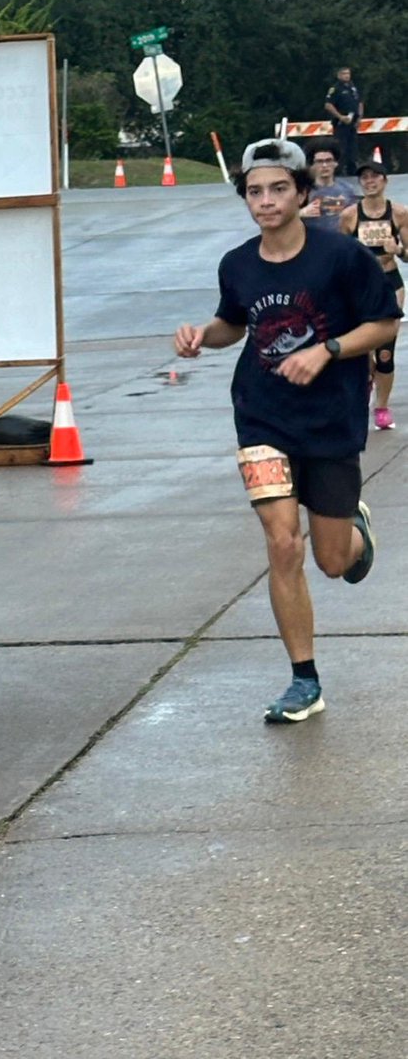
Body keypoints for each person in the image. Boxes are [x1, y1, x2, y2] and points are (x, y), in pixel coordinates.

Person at [173, 138, 401, 725]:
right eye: (255, 191)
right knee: (281, 541)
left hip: (330, 421)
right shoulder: (238, 263)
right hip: (261, 414)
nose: (266, 201)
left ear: (303, 193)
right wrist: (202, 335)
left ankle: (356, 532)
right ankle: (304, 680)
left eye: (278, 189)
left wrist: (327, 350)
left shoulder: (341, 257)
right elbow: (233, 323)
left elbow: (383, 324)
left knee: (330, 560)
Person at [339, 158, 408, 430]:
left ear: (384, 181)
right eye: (364, 178)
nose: (369, 182)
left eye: (374, 177)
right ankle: (366, 381)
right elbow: (339, 254)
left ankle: (382, 407)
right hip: (360, 287)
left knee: (385, 352)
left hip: (390, 283)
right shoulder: (350, 216)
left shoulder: (400, 214)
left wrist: (399, 250)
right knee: (362, 347)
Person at [299, 137, 356, 229]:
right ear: (312, 164)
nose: (324, 165)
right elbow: (285, 217)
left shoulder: (347, 189)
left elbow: (354, 217)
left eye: (328, 160)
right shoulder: (303, 190)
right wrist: (302, 213)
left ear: (336, 163)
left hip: (340, 239)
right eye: (319, 161)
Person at [324, 65, 363, 176]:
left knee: (353, 150)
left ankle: (353, 172)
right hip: (341, 123)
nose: (347, 76)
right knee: (341, 149)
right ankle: (338, 173)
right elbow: (328, 105)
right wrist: (340, 117)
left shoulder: (353, 87)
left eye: (348, 74)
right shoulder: (336, 89)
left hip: (353, 123)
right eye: (344, 74)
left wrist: (359, 117)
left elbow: (359, 102)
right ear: (339, 75)